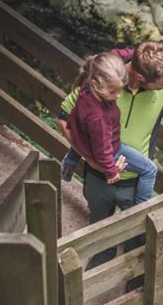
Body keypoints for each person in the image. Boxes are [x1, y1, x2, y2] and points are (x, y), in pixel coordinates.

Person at [58, 41, 163, 261]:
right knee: (100, 238)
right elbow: (63, 120)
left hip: (135, 183)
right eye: (160, 85)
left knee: (138, 243)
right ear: (139, 77)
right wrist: (92, 161)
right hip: (98, 178)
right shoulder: (105, 79)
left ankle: (134, 286)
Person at [60, 51, 158, 205]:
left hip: (82, 135)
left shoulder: (87, 83)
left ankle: (68, 166)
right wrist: (111, 171)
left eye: (120, 89)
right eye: (113, 91)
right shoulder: (99, 119)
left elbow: (110, 56)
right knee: (150, 170)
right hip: (112, 149)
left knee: (83, 136)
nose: (118, 96)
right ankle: (141, 207)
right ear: (95, 84)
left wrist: (138, 54)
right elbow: (103, 149)